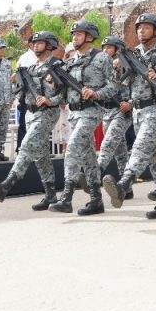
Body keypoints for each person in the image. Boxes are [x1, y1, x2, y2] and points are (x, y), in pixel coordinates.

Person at [104, 13, 156, 220]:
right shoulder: (133, 54)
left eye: (146, 27)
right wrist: (117, 69)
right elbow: (119, 84)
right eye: (139, 27)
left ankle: (124, 185)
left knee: (140, 146)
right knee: (155, 156)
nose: (141, 30)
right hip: (139, 111)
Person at [0, 31, 64, 210]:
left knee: (26, 146)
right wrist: (15, 84)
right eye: (34, 43)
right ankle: (51, 195)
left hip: (47, 113)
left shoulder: (56, 65)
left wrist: (51, 100)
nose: (35, 45)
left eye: (40, 42)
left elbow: (66, 91)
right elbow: (23, 89)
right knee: (41, 155)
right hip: (30, 114)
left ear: (50, 45)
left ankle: (5, 185)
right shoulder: (32, 67)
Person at [48, 20, 117, 216]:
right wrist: (52, 89)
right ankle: (96, 200)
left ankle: (66, 198)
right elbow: (63, 93)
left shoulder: (102, 58)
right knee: (88, 159)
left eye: (79, 34)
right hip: (74, 114)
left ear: (89, 36)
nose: (74, 37)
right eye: (74, 34)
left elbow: (114, 86)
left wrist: (96, 93)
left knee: (72, 150)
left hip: (91, 111)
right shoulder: (69, 62)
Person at [95, 36, 133, 186]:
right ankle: (126, 186)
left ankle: (96, 173)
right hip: (107, 111)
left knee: (109, 142)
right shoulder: (101, 68)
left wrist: (130, 103)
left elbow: (139, 89)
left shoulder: (128, 67)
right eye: (103, 47)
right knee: (120, 150)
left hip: (122, 111)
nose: (105, 50)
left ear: (118, 50)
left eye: (109, 48)